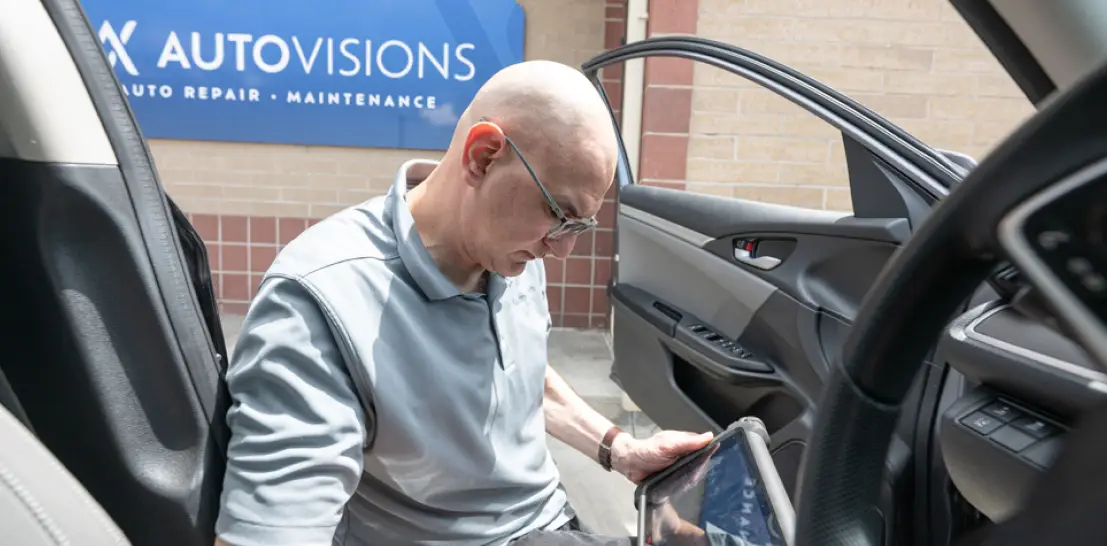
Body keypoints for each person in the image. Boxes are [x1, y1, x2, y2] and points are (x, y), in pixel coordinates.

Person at [212, 59, 714, 546]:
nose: (562, 249)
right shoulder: (319, 303)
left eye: (580, 226)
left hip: (552, 520)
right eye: (559, 213)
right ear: (483, 156)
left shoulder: (510, 252)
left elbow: (520, 377)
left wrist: (620, 451)